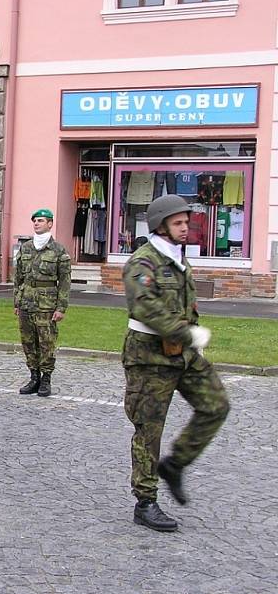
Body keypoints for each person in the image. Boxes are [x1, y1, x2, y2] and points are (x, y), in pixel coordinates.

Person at [122, 194, 230, 532]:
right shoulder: (143, 262)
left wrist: (191, 340)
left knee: (216, 405)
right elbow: (145, 308)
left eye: (187, 222)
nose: (186, 227)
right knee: (149, 430)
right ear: (161, 225)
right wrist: (189, 334)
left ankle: (175, 465)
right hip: (148, 358)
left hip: (182, 353)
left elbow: (183, 305)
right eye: (178, 222)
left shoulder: (178, 259)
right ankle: (146, 501)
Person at [13, 209, 71, 397]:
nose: (36, 223)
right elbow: (18, 277)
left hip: (46, 303)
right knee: (28, 342)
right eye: (35, 221)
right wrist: (17, 301)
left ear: (50, 224)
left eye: (41, 220)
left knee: (46, 342)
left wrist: (61, 307)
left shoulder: (58, 250)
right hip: (26, 301)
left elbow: (64, 281)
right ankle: (34, 377)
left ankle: (46, 379)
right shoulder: (26, 248)